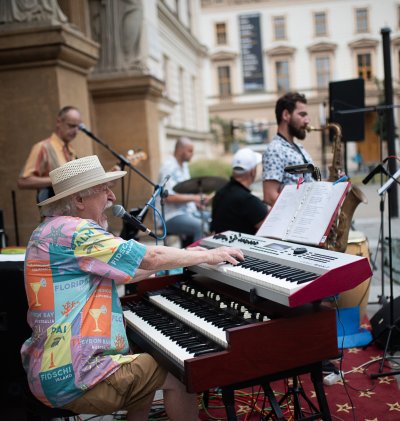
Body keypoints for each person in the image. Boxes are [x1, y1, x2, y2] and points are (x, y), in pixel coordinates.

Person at [20, 155, 243, 421]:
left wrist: (186, 257)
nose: (112, 197)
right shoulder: (77, 231)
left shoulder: (46, 231)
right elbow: (150, 257)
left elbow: (128, 271)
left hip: (48, 370)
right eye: (104, 190)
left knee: (143, 367)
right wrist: (208, 255)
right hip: (76, 376)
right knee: (178, 372)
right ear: (79, 200)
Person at [17, 106, 81, 203]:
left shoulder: (71, 149)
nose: (76, 131)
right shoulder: (43, 147)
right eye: (71, 126)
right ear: (59, 122)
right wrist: (57, 180)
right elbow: (23, 181)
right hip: (54, 210)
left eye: (78, 127)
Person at [262, 92, 315, 206]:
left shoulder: (299, 147)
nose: (307, 121)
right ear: (286, 115)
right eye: (302, 115)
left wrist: (331, 181)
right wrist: (301, 211)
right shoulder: (275, 149)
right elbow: (270, 196)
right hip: (297, 216)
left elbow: (308, 183)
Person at [158, 137, 209, 245]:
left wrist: (195, 203)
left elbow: (184, 192)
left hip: (186, 212)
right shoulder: (169, 167)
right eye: (190, 151)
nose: (192, 154)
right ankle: (197, 255)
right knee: (201, 226)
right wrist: (195, 198)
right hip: (170, 216)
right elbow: (169, 197)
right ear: (180, 150)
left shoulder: (184, 166)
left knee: (211, 218)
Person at [211, 148, 268, 235]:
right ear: (253, 171)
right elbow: (268, 229)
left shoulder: (219, 193)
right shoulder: (249, 201)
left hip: (219, 242)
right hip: (241, 244)